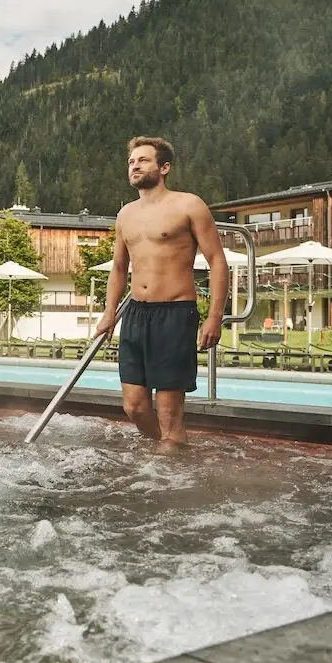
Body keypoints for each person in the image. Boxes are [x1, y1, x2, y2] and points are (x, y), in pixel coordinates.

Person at [93, 137, 228, 450]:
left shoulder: (189, 205)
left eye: (143, 160)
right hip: (136, 315)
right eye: (131, 162)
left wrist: (214, 317)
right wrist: (109, 311)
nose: (135, 166)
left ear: (164, 167)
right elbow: (118, 268)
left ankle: (170, 469)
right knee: (135, 407)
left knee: (168, 412)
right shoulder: (125, 214)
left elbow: (218, 262)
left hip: (175, 314)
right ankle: (170, 451)